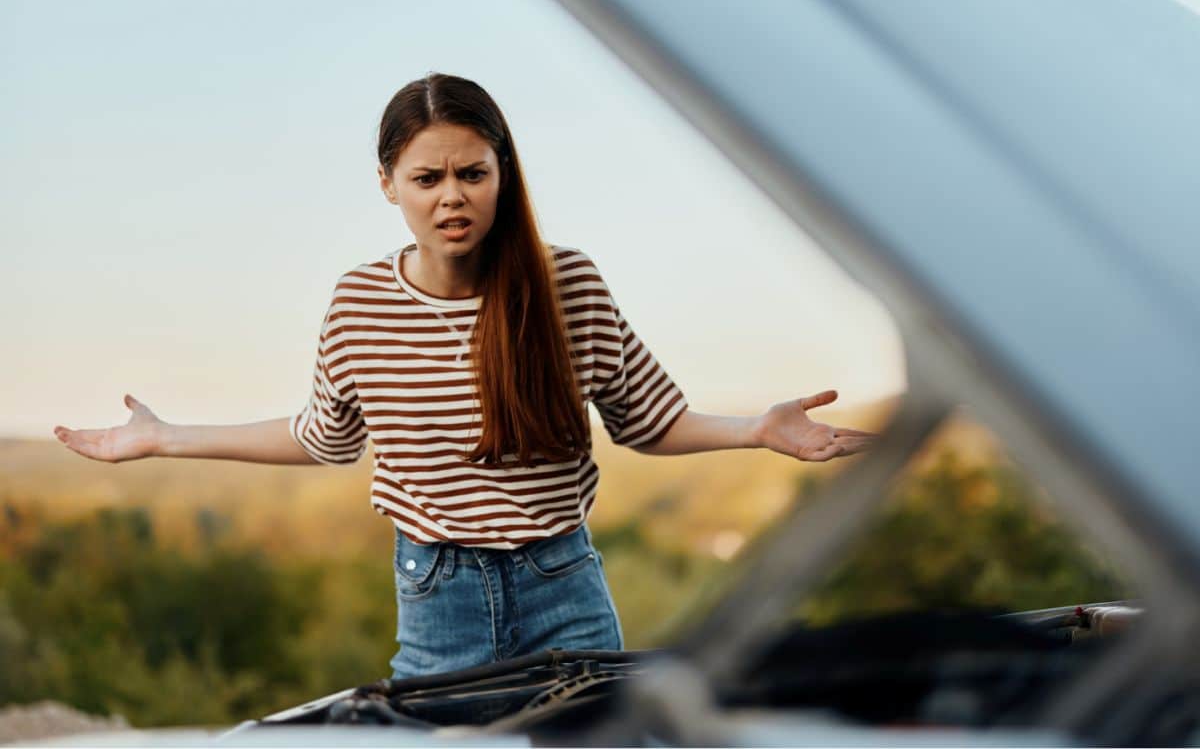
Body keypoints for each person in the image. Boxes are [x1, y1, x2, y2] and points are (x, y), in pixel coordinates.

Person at [52, 72, 880, 680]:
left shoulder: (569, 288)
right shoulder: (358, 305)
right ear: (389, 187)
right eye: (427, 178)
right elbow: (323, 439)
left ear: (502, 175)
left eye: (472, 173)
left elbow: (646, 421)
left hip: (563, 581)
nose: (453, 196)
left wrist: (759, 431)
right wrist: (164, 438)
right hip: (436, 590)